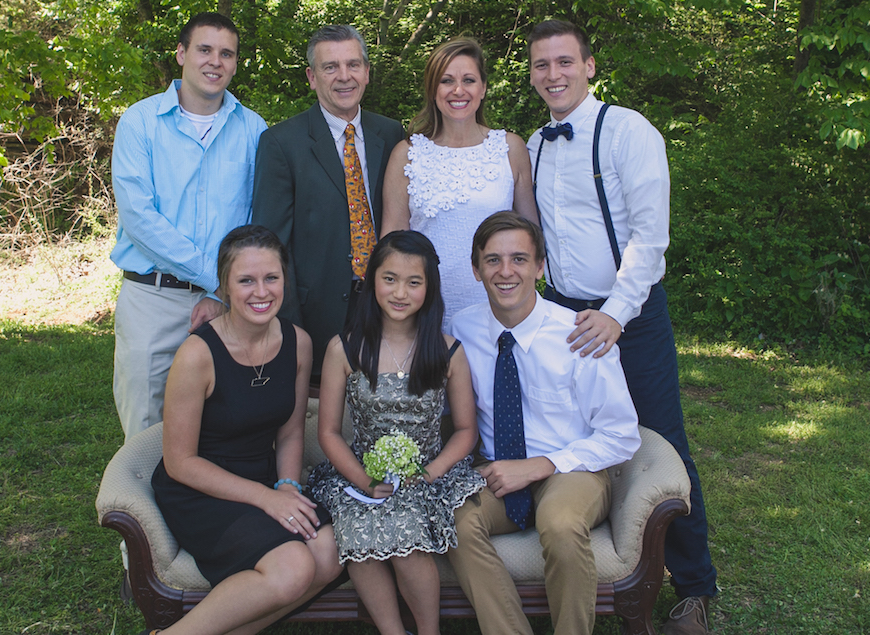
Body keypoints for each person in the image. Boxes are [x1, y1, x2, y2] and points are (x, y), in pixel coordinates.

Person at [527, 19, 718, 634]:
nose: (553, 74)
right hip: (562, 313)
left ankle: (694, 587)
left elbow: (649, 238)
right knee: (572, 433)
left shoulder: (629, 131)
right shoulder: (533, 144)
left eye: (564, 62)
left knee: (661, 438)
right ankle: (595, 550)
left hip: (627, 315)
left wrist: (615, 313)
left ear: (588, 66)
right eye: (541, 65)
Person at [448, 211, 641, 635]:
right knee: (456, 520)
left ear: (539, 267)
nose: (506, 271)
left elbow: (621, 434)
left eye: (519, 259)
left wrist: (543, 465)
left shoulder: (580, 333)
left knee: (559, 523)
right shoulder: (461, 330)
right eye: (493, 260)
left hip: (573, 469)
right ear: (476, 268)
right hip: (498, 471)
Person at [148, 225, 341, 635]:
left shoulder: (298, 342)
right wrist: (266, 500)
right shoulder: (197, 354)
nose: (261, 292)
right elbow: (179, 462)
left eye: (271, 278)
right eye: (246, 281)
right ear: (224, 287)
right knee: (293, 568)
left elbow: (290, 431)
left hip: (262, 475)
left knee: (328, 557)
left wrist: (287, 485)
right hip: (200, 488)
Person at [308, 230, 486, 635]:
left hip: (427, 473)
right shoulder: (346, 348)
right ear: (372, 281)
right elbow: (330, 433)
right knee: (357, 527)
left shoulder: (446, 351)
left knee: (403, 525)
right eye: (389, 279)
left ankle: (428, 630)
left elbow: (465, 430)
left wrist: (430, 472)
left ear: (429, 288)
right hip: (360, 474)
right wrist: (364, 481)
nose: (400, 292)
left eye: (414, 282)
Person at [111, 12, 267, 442]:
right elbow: (140, 217)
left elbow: (257, 217)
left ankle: (199, 510)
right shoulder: (140, 123)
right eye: (204, 49)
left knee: (220, 425)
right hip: (153, 299)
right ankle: (136, 510)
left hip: (225, 305)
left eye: (226, 53)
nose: (215, 61)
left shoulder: (253, 129)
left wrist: (222, 293)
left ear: (235, 64)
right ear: (181, 54)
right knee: (145, 425)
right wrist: (214, 280)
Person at [252, 24, 406, 382]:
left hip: (386, 300)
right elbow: (271, 243)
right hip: (316, 310)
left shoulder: (392, 133)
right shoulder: (281, 143)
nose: (344, 76)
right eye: (330, 67)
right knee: (320, 418)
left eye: (353, 65)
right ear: (311, 76)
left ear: (367, 72)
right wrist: (290, 325)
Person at [381, 37, 539, 332]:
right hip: (427, 314)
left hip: (500, 312)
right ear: (432, 89)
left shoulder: (510, 148)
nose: (458, 90)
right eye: (446, 81)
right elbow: (390, 247)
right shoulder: (407, 154)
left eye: (469, 80)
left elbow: (532, 238)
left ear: (483, 88)